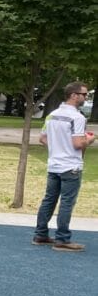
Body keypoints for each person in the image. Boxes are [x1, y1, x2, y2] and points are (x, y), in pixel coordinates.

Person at [32, 82, 94, 252]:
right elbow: (77, 143)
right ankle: (62, 239)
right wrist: (90, 139)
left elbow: (43, 139)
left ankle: (40, 234)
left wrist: (57, 148)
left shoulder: (52, 115)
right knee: (67, 202)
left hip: (54, 164)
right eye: (84, 94)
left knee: (49, 200)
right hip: (71, 166)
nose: (85, 97)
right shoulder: (78, 118)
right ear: (74, 95)